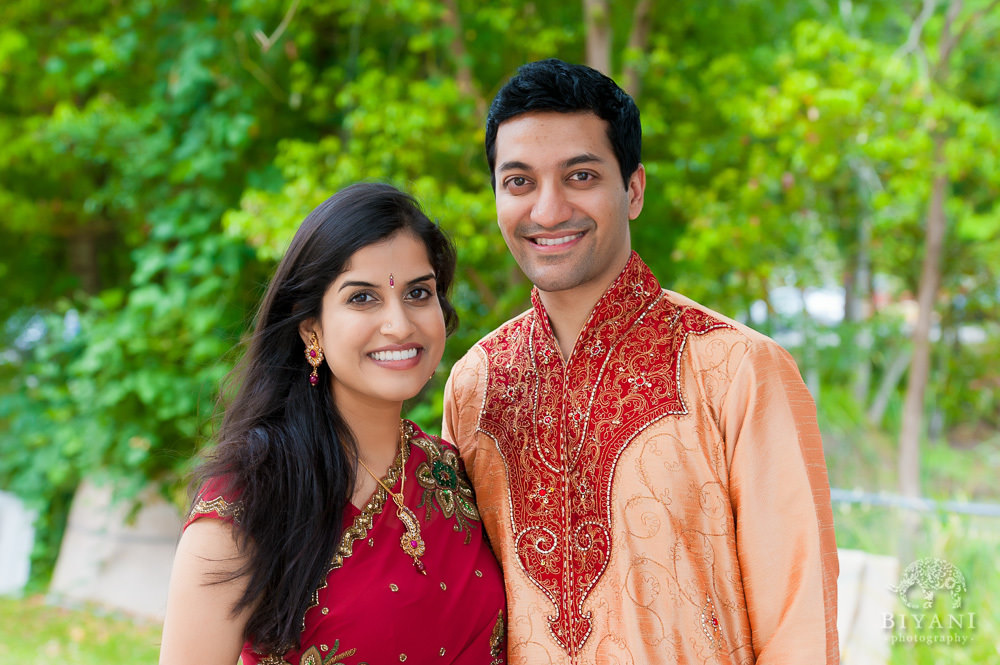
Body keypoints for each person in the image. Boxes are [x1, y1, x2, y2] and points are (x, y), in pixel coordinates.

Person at [443, 59, 839, 664]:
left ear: (633, 189)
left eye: (579, 175)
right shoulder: (476, 385)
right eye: (518, 182)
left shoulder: (736, 369)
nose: (547, 211)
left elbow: (799, 624)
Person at [160, 183, 506, 665]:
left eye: (418, 293)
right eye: (362, 298)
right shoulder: (248, 502)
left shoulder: (457, 476)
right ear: (311, 328)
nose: (400, 325)